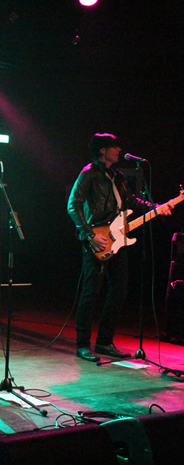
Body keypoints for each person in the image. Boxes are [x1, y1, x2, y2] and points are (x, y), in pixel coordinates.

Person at [67, 133, 171, 362]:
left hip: (119, 238)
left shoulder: (118, 176)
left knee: (119, 291)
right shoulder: (88, 174)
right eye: (114, 147)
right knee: (90, 292)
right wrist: (90, 234)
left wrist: (157, 208)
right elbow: (73, 205)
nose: (119, 150)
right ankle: (82, 345)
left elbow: (132, 202)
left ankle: (104, 341)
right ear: (102, 150)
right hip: (97, 238)